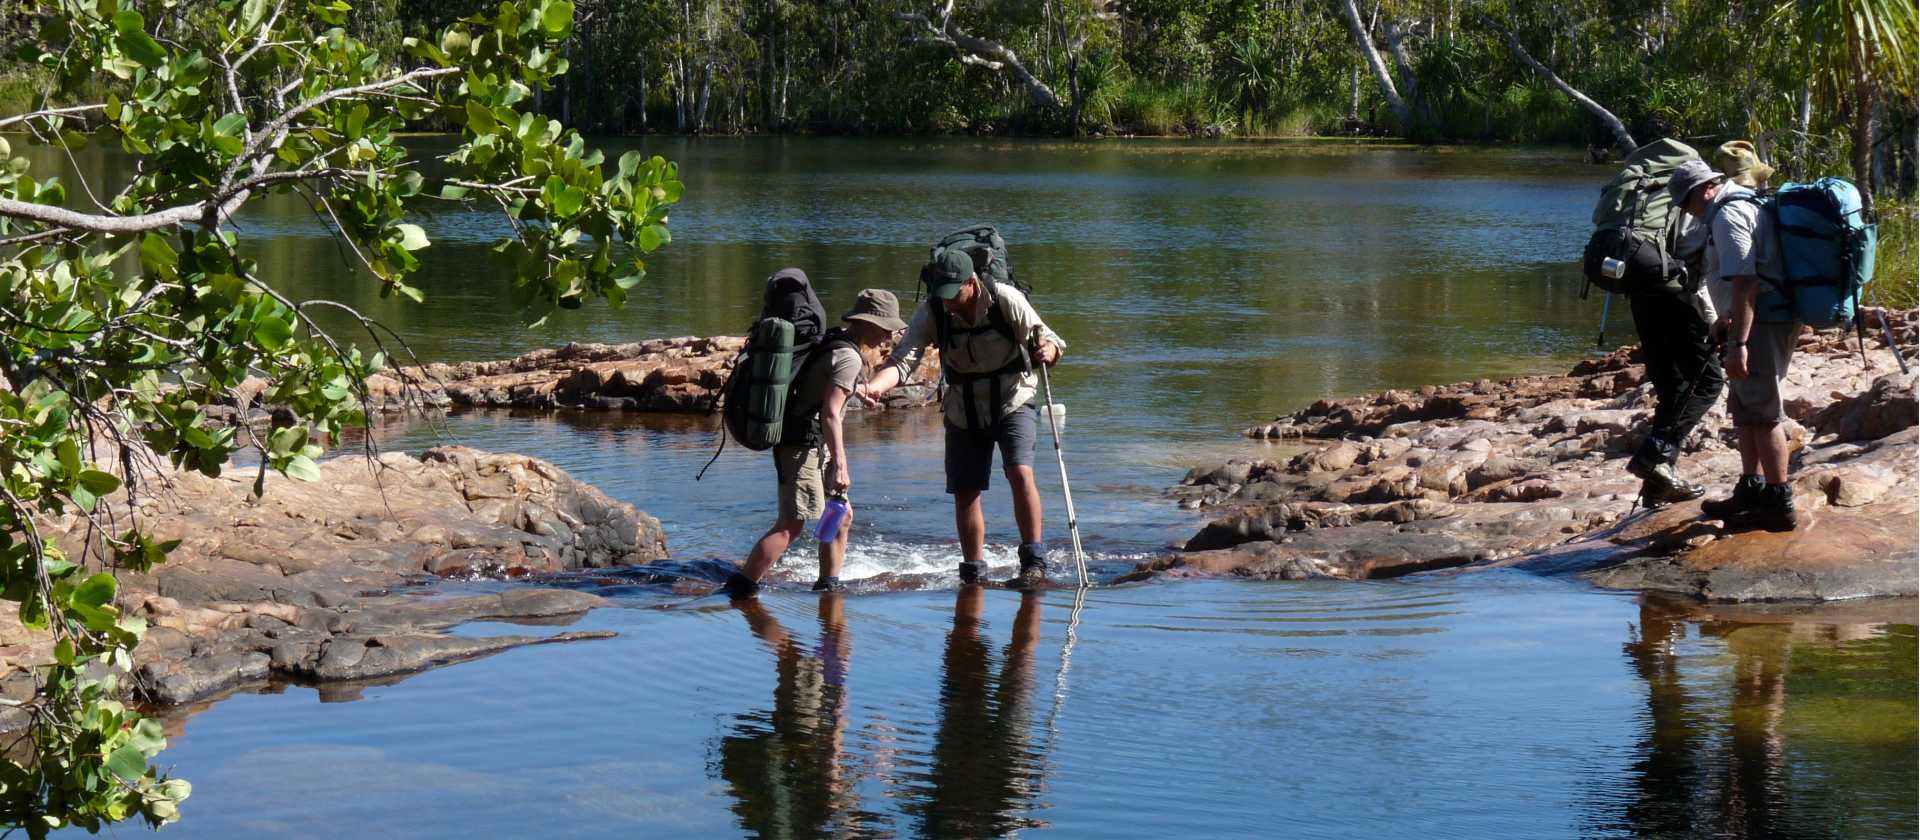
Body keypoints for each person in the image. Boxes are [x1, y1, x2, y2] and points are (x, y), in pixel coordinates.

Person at [857, 248, 1065, 587]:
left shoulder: (1005, 299)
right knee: (965, 490)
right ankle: (973, 571)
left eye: (953, 294)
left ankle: (1033, 561)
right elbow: (904, 359)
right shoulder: (934, 309)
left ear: (971, 282)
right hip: (962, 406)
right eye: (943, 295)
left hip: (1013, 397)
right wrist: (876, 387)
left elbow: (1050, 338)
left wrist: (1049, 351)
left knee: (1019, 472)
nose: (949, 302)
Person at [721, 288, 909, 598]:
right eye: (885, 329)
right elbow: (830, 414)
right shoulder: (849, 355)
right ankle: (740, 589)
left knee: (842, 515)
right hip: (802, 446)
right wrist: (841, 465)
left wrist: (858, 391)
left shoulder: (835, 341)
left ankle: (828, 586)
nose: (888, 338)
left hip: (808, 442)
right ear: (867, 323)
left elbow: (820, 381)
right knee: (790, 525)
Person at [1668, 159, 1799, 531]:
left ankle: (1779, 502)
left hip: (1762, 323)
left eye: (1686, 201)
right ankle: (1751, 488)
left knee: (1764, 412)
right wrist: (1725, 321)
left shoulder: (1729, 216)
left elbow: (1746, 282)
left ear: (1706, 189)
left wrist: (1739, 342)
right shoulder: (1732, 207)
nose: (1685, 209)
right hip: (1747, 321)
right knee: (1744, 409)